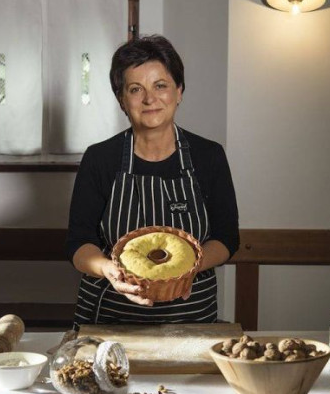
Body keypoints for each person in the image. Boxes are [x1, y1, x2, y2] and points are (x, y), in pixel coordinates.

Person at [66, 35, 239, 328]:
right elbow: (79, 243)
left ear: (179, 91)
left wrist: (186, 271)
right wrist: (110, 270)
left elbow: (226, 238)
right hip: (112, 320)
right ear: (121, 99)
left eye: (161, 85)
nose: (149, 99)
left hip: (191, 318)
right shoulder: (100, 158)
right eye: (136, 89)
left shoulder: (208, 156)